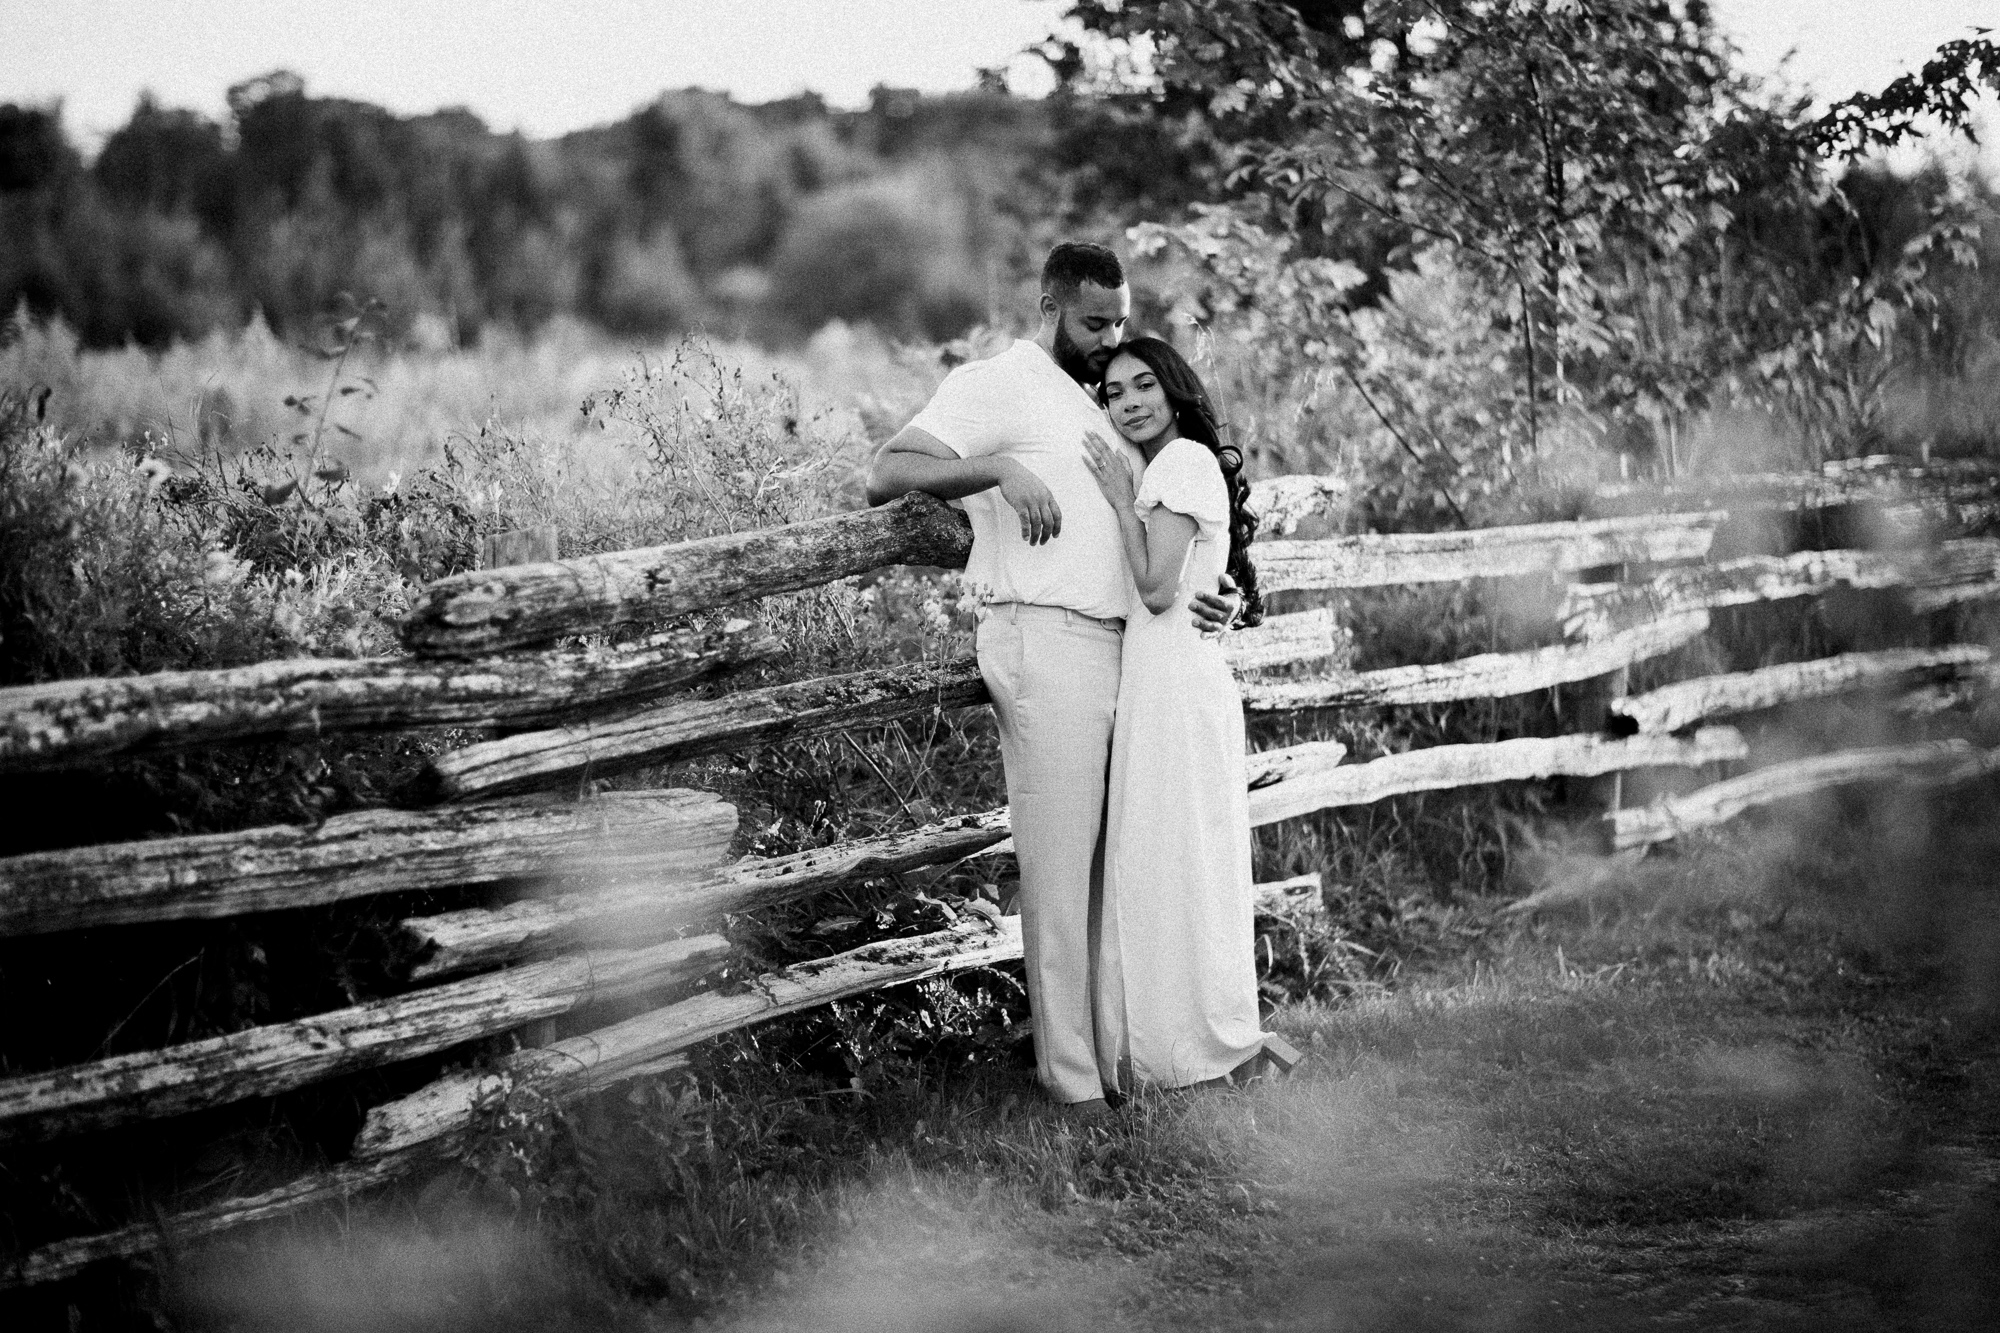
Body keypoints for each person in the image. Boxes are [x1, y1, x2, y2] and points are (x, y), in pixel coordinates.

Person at [864, 242, 1238, 1116]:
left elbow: (1158, 535)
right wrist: (997, 468)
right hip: (1045, 639)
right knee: (1062, 872)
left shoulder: (1098, 397)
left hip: (1127, 649)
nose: (1111, 340)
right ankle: (1069, 1087)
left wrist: (1206, 602)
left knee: (1114, 868)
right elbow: (888, 469)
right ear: (1048, 305)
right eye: (1093, 322)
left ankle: (1118, 1063)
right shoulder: (1001, 381)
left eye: (1120, 321)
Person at [1080, 337, 1270, 1093]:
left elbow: (1158, 589)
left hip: (1173, 683)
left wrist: (1118, 498)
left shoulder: (1178, 463)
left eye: (1143, 384)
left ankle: (1181, 1049)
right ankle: (1187, 1038)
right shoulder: (1179, 464)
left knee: (1167, 861)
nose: (1128, 401)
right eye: (1114, 390)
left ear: (1175, 387)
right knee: (1180, 860)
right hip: (1172, 676)